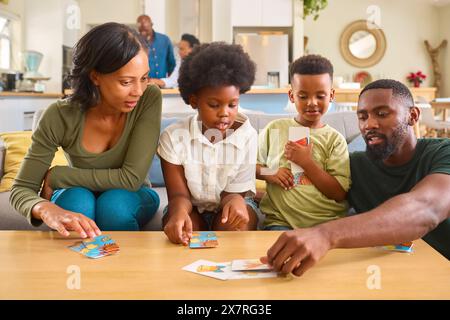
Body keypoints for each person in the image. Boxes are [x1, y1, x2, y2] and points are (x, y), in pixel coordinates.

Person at [261, 79, 450, 276]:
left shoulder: (444, 152)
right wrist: (242, 198)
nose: (369, 124)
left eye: (382, 114)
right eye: (362, 117)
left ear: (412, 115)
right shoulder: (354, 166)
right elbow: (308, 190)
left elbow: (426, 208)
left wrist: (325, 235)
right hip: (390, 276)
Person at [10, 22, 162, 238]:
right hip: (79, 192)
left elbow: (131, 179)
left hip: (133, 192)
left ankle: (125, 271)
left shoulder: (149, 98)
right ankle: (71, 270)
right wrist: (45, 208)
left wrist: (58, 175)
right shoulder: (59, 115)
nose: (138, 91)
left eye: (144, 78)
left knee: (114, 207)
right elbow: (21, 189)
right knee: (75, 204)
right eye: (126, 81)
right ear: (95, 76)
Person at [158, 42, 258, 245]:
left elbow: (234, 194)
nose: (225, 113)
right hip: (189, 205)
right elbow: (178, 195)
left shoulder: (247, 136)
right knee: (185, 233)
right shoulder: (173, 137)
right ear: (194, 101)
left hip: (231, 201)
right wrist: (178, 214)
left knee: (236, 227)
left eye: (232, 104)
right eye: (214, 105)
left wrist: (236, 200)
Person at [256, 54, 350, 230]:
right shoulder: (275, 129)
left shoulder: (335, 140)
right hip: (281, 223)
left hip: (326, 225)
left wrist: (307, 163)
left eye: (320, 96)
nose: (312, 103)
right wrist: (270, 172)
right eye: (303, 96)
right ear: (292, 96)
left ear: (331, 95)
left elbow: (339, 193)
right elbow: (249, 166)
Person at [137, 14, 176, 80]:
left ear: (151, 24)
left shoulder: (164, 39)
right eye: (141, 31)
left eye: (145, 30)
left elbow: (171, 62)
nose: (143, 33)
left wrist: (169, 82)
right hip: (144, 83)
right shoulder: (136, 41)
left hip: (162, 83)